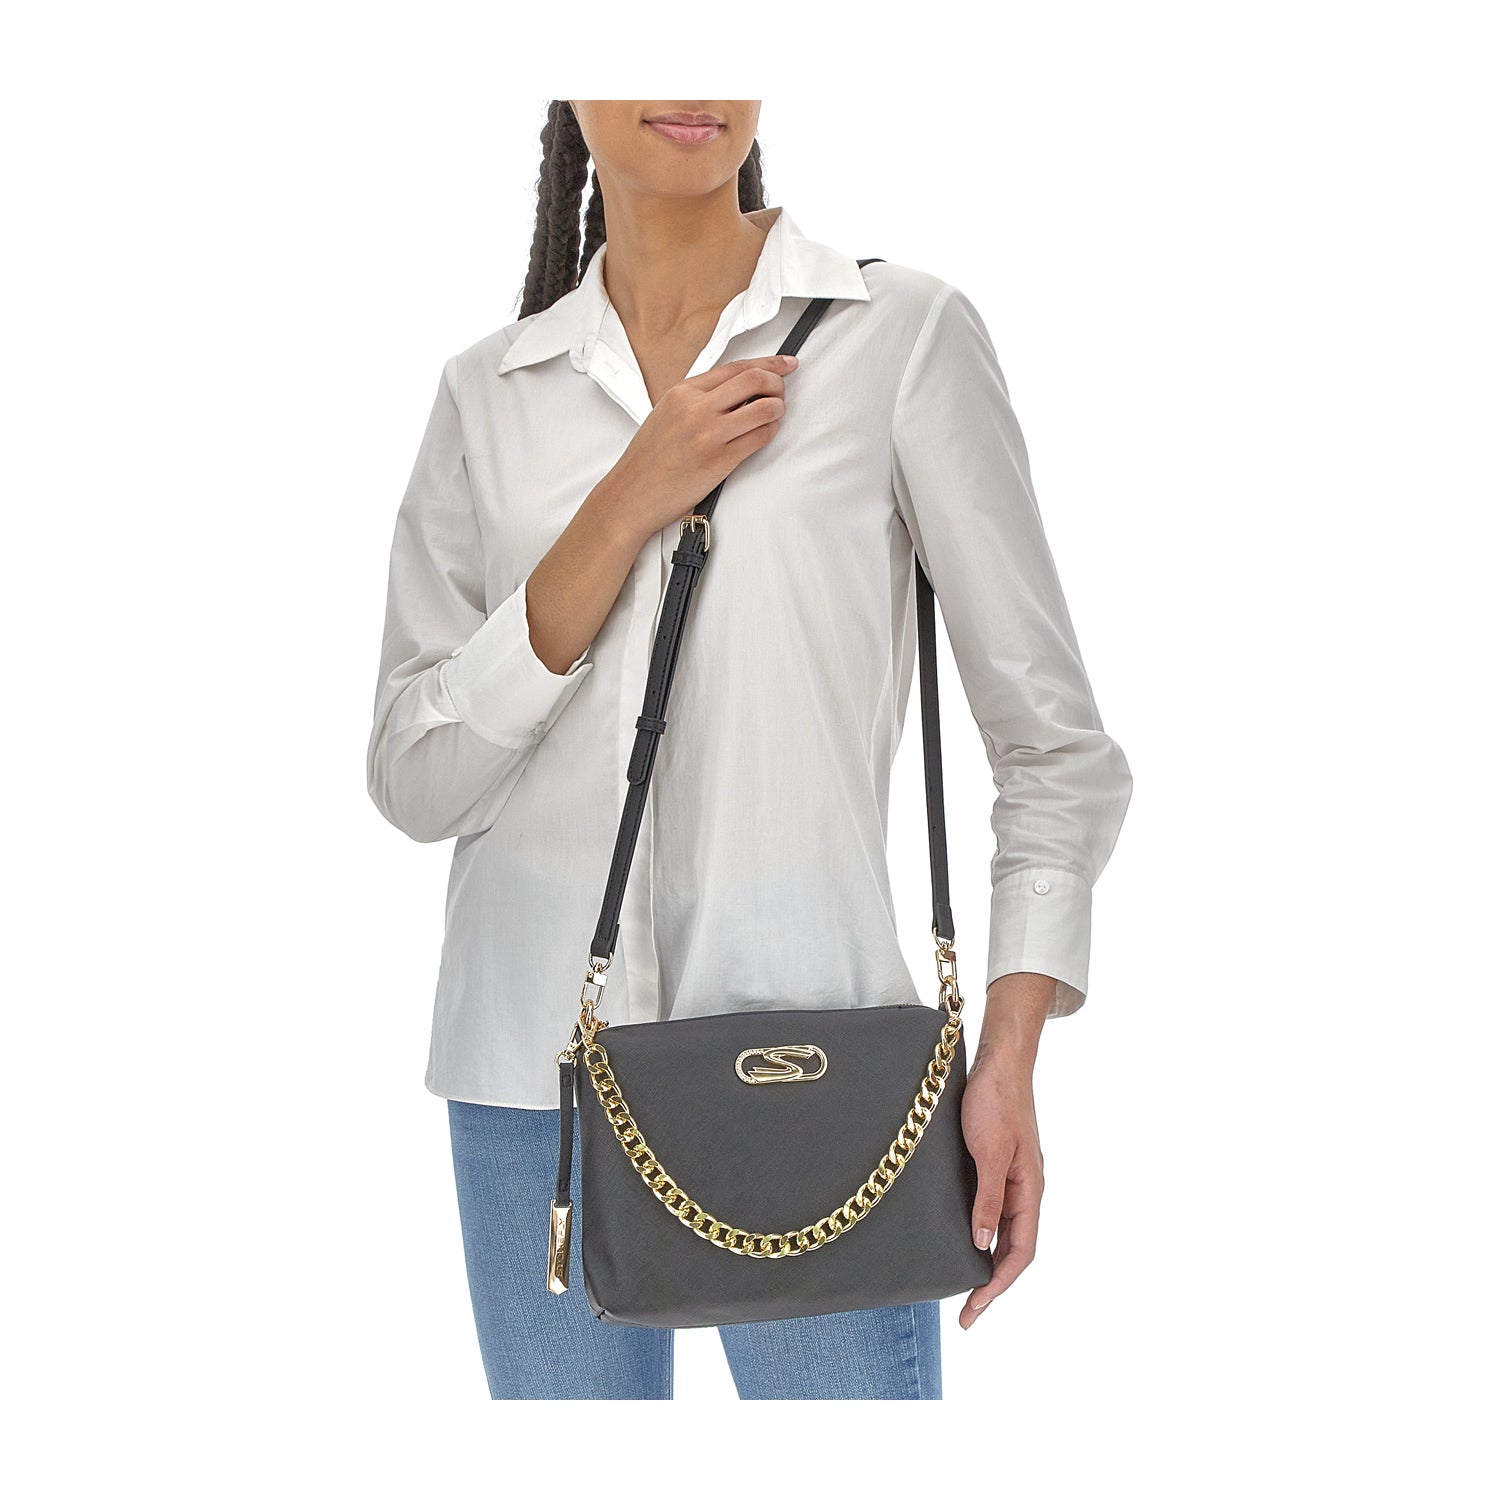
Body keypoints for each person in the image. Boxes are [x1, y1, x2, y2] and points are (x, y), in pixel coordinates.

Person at [366, 99, 1132, 1401]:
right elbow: (413, 778)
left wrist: (1007, 1056)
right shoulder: (486, 396)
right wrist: (624, 503)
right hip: (531, 1087)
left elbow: (1053, 746)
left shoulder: (898, 338)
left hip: (824, 1087)